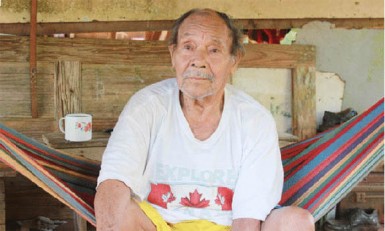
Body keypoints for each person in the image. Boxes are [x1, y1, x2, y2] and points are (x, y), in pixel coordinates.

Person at [94, 8, 315, 231]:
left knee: (295, 222)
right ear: (173, 55)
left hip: (227, 227)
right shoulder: (146, 107)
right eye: (188, 47)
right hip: (155, 225)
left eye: (213, 50)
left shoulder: (254, 120)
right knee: (119, 208)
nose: (198, 61)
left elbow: (247, 219)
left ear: (234, 61)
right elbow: (114, 181)